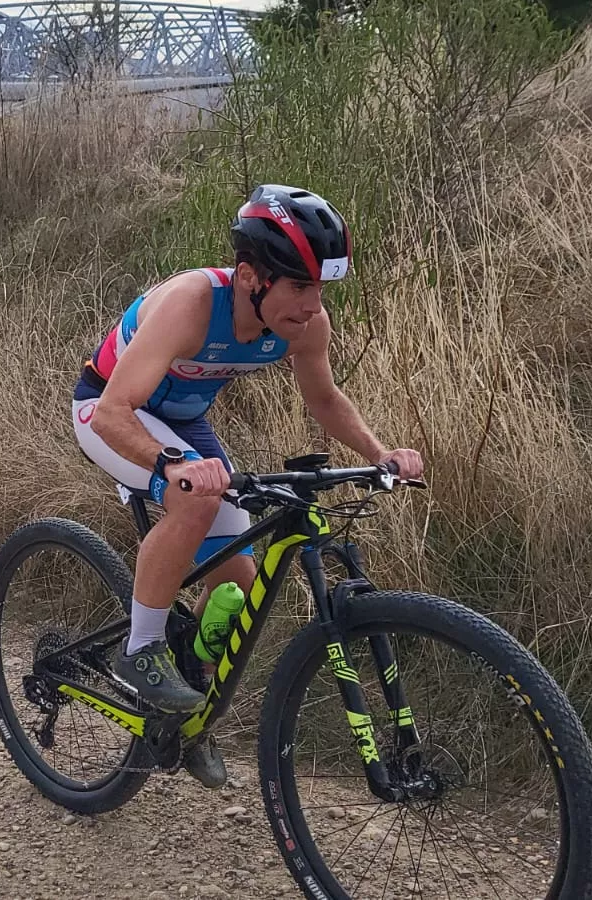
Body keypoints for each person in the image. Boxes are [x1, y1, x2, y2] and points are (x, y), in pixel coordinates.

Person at [72, 184, 423, 788]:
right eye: (298, 286)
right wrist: (170, 468)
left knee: (236, 586)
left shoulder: (304, 324)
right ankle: (143, 648)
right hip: (108, 412)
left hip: (182, 423)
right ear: (249, 277)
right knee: (197, 497)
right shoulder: (189, 304)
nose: (312, 305)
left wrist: (380, 452)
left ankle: (187, 713)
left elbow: (324, 399)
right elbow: (112, 411)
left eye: (319, 289)